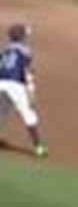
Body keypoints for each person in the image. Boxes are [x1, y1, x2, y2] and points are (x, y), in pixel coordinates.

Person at [0, 23, 46, 158]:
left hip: (1, 82)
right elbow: (28, 72)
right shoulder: (25, 51)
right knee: (29, 114)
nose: (27, 37)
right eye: (25, 35)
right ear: (21, 37)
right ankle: (39, 148)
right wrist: (31, 90)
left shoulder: (5, 51)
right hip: (15, 85)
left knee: (1, 114)